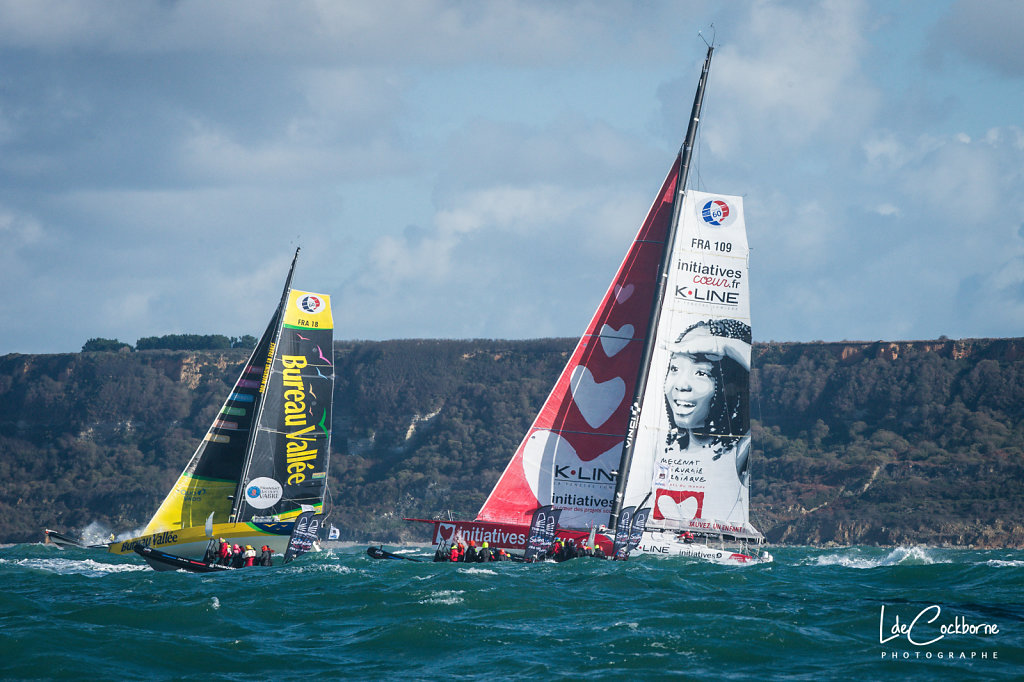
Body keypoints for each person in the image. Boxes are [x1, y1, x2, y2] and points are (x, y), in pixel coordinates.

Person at [655, 319, 752, 524]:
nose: (681, 385)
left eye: (701, 372)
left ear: (731, 385)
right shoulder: (658, 443)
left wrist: (724, 346)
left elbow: (750, 363)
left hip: (710, 542)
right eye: (674, 369)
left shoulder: (743, 450)